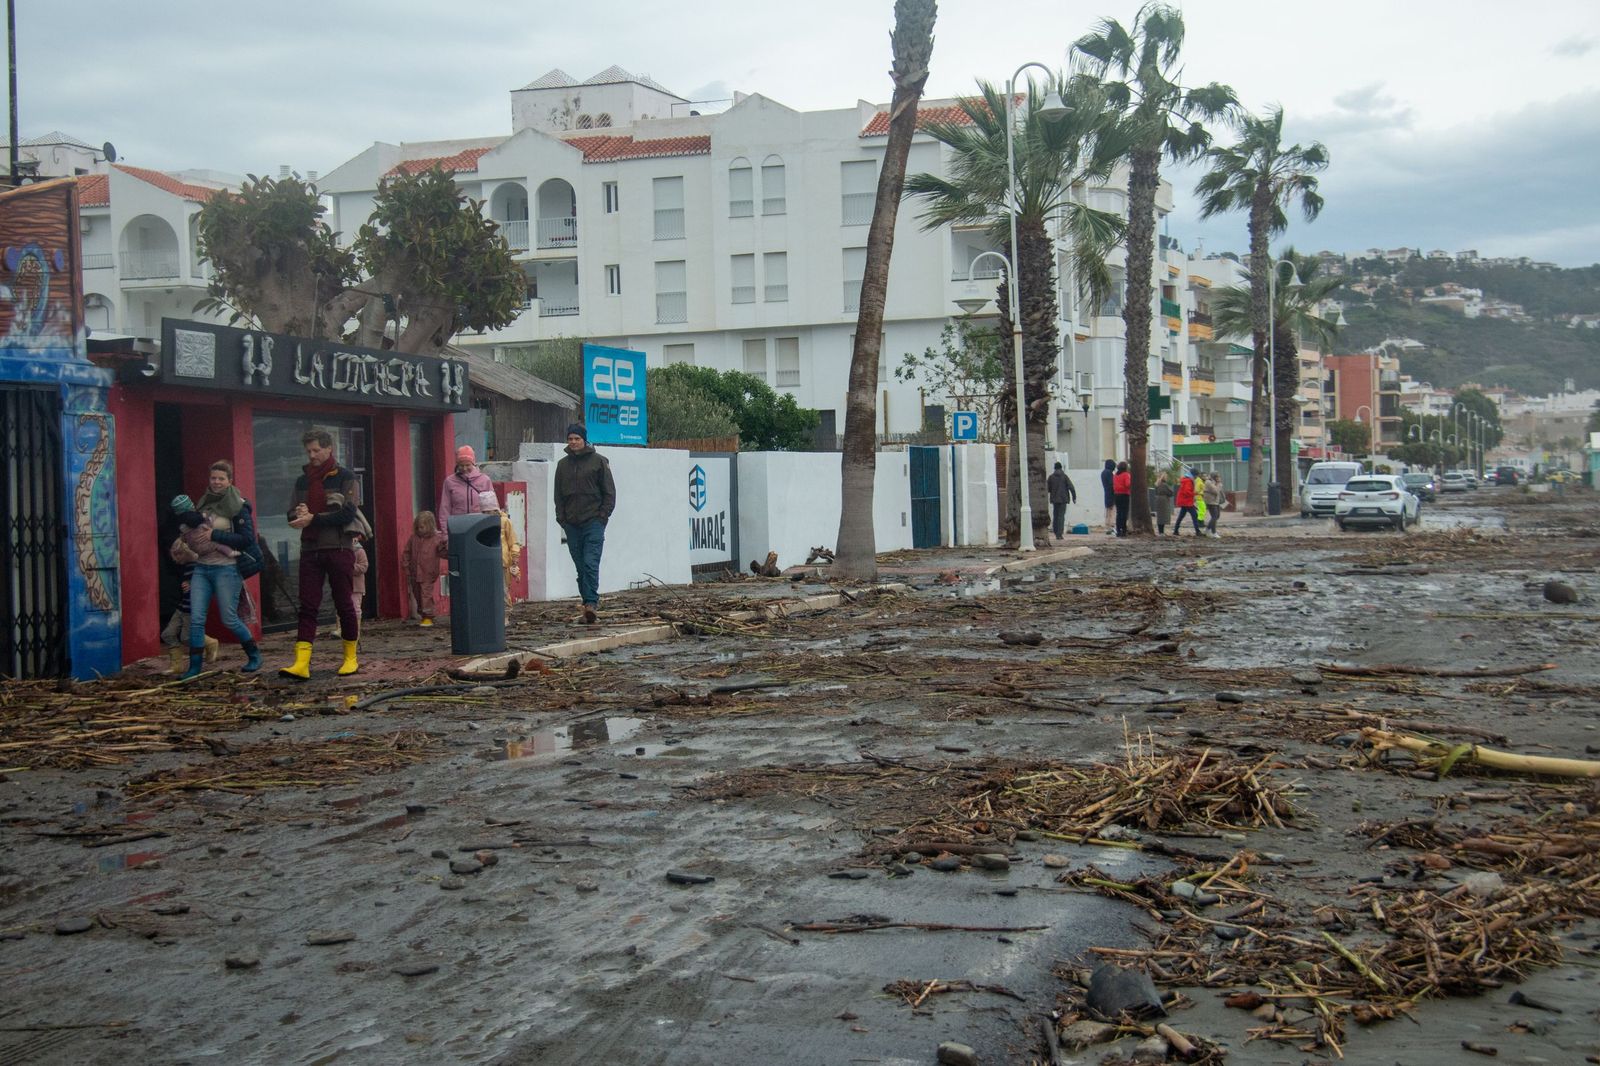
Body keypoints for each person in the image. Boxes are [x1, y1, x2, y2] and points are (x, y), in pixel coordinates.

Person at [279, 429, 362, 680]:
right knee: (307, 606)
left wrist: (314, 517)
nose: (312, 455)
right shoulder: (302, 481)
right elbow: (290, 514)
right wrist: (298, 514)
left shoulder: (346, 477)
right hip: (310, 549)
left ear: (329, 449)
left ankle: (350, 657)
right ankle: (301, 663)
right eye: (308, 451)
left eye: (316, 450)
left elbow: (348, 514)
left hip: (338, 548)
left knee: (344, 603)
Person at [173, 460, 262, 677]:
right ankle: (194, 667)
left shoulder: (239, 506)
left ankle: (254, 656)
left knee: (229, 618)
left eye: (221, 478)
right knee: (196, 619)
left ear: (229, 481)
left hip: (227, 569)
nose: (216, 482)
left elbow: (246, 539)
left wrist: (215, 535)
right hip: (202, 568)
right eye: (213, 478)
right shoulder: (204, 503)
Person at [554, 423, 615, 625]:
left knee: (590, 562)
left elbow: (609, 492)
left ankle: (591, 604)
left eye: (576, 439)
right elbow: (558, 495)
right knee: (580, 566)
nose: (573, 442)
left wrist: (602, 516)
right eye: (570, 439)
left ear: (584, 440)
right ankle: (587, 603)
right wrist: (561, 518)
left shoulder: (598, 462)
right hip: (571, 523)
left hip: (593, 522)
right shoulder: (562, 465)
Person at [478, 489, 522, 608]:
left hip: (502, 561)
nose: (486, 515)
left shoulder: (505, 522)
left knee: (503, 588)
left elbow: (513, 541)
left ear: (495, 510)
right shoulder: (480, 523)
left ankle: (505, 613)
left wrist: (514, 557)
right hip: (487, 561)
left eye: (489, 511)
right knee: (487, 588)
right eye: (484, 512)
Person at [402, 511, 446, 626]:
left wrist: (445, 547)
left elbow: (442, 553)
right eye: (418, 527)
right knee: (417, 593)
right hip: (414, 571)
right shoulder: (414, 538)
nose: (420, 529)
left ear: (430, 526)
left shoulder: (437, 538)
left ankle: (428, 615)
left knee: (425, 593)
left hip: (429, 572)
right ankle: (423, 613)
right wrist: (406, 566)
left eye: (422, 527)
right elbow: (407, 552)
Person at [438, 445, 493, 535]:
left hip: (480, 528)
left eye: (467, 465)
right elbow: (445, 508)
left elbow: (491, 508)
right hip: (457, 528)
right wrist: (445, 533)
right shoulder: (449, 481)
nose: (464, 468)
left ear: (473, 463)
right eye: (461, 465)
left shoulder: (485, 480)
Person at [1047, 462, 1077, 541]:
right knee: (1061, 516)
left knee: (1055, 515)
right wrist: (1074, 497)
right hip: (1063, 499)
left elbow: (1048, 488)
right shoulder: (1064, 477)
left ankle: (1056, 531)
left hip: (1054, 499)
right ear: (1061, 468)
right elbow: (1071, 487)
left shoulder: (1051, 477)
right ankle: (1059, 534)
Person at [1173, 470, 1202, 536]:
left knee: (1181, 516)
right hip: (1187, 501)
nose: (1196, 477)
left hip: (1184, 501)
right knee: (1194, 515)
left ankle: (1175, 531)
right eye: (1196, 475)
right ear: (1193, 475)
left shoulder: (1185, 480)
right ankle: (1197, 531)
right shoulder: (1188, 481)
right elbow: (1187, 492)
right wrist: (1195, 493)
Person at [1112, 460, 1132, 537]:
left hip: (1117, 495)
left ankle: (1118, 529)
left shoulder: (1115, 475)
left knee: (1119, 513)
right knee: (1124, 513)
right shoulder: (1126, 475)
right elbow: (1127, 484)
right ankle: (1123, 529)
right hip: (1124, 494)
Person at [1152, 471, 1175, 535]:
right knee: (1164, 517)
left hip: (1158, 500)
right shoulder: (1164, 485)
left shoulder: (1157, 484)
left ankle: (1160, 531)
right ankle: (1161, 532)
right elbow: (1170, 493)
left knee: (1160, 517)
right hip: (1164, 501)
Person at [1100, 459, 1117, 535]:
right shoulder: (1109, 473)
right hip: (1111, 494)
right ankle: (1112, 527)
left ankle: (1107, 527)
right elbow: (1112, 484)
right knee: (1112, 511)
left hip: (1106, 493)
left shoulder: (1103, 472)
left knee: (1107, 511)